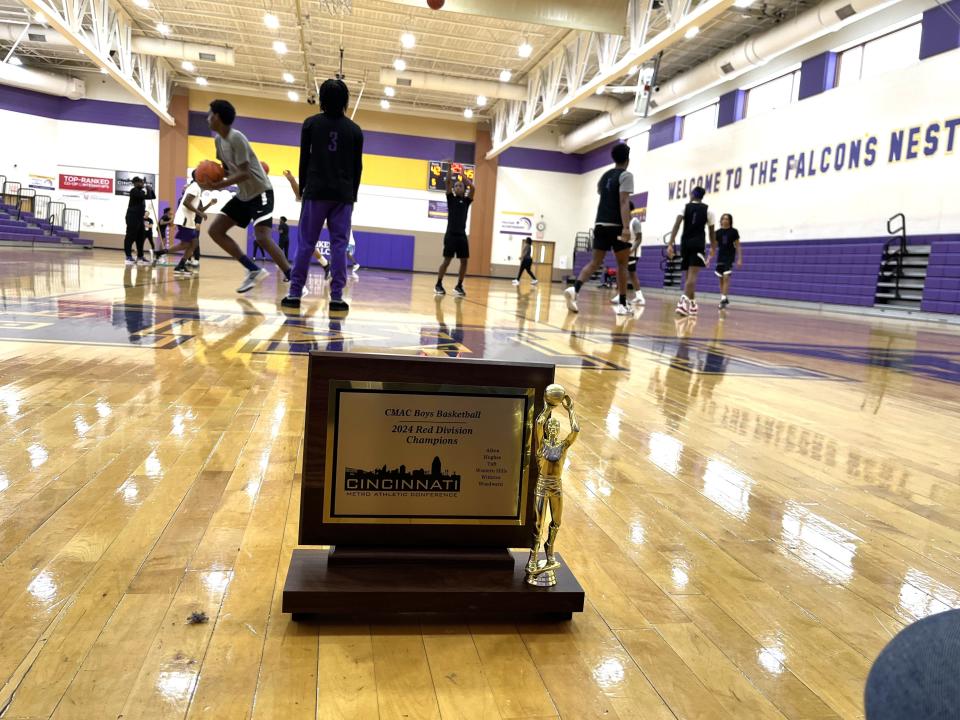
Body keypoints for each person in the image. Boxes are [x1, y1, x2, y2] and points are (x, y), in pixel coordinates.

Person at [283, 79, 363, 312]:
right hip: (343, 196)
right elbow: (358, 167)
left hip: (316, 192)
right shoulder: (355, 131)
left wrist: (303, 191)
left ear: (322, 99)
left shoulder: (310, 124)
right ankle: (336, 297)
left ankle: (295, 293)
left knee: (306, 243)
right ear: (345, 101)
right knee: (339, 246)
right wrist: (352, 195)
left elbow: (304, 160)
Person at [198, 99, 292, 293]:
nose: (207, 117)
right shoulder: (218, 141)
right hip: (244, 194)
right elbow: (227, 169)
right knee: (215, 230)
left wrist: (219, 185)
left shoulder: (236, 138)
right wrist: (210, 178)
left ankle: (293, 278)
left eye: (209, 114)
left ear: (217, 117)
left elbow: (244, 173)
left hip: (261, 192)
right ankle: (253, 269)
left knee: (262, 237)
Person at [564, 143, 634, 316]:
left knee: (595, 262)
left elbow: (600, 192)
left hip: (599, 224)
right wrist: (626, 227)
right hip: (616, 226)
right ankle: (623, 304)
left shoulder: (605, 176)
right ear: (627, 159)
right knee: (622, 265)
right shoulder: (626, 175)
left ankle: (575, 289)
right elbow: (624, 201)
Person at [155, 170, 217, 275]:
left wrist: (209, 205)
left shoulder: (197, 188)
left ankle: (175, 262)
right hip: (185, 219)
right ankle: (167, 257)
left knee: (190, 243)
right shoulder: (194, 187)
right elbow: (186, 202)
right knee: (190, 243)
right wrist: (200, 214)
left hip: (188, 220)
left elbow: (200, 209)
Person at [667, 186, 716, 316]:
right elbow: (712, 233)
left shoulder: (685, 207)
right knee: (691, 277)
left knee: (688, 277)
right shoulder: (709, 211)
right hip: (698, 244)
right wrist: (713, 248)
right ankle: (689, 303)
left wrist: (671, 243)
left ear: (692, 195)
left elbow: (676, 225)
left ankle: (687, 304)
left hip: (685, 244)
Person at [281, 169, 331, 277]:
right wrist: (291, 180)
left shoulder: (322, 191)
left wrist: (292, 180)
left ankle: (296, 275)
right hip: (306, 220)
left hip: (313, 221)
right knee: (309, 247)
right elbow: (299, 194)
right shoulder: (309, 190)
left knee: (305, 246)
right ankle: (326, 265)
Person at [435, 167, 474, 298]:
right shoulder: (451, 199)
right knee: (447, 261)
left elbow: (473, 188)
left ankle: (459, 286)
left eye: (460, 186)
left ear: (463, 189)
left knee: (465, 261)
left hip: (462, 236)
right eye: (456, 186)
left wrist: (464, 177)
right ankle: (438, 284)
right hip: (451, 235)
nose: (457, 187)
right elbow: (447, 183)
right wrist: (450, 169)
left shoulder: (467, 201)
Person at [610, 201, 644, 306]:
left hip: (633, 252)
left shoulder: (635, 222)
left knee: (630, 273)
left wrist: (631, 249)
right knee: (622, 272)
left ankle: (639, 297)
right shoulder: (621, 223)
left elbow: (639, 239)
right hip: (623, 251)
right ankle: (634, 296)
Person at [123, 176, 155, 265]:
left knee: (141, 237)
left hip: (140, 217)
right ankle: (128, 257)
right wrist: (148, 190)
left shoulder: (141, 191)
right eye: (141, 182)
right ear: (135, 183)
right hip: (132, 217)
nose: (142, 184)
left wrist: (150, 189)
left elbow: (152, 196)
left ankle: (140, 257)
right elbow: (146, 196)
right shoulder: (134, 191)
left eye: (143, 182)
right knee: (130, 236)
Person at [715, 213, 742, 308]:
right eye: (723, 219)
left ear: (730, 221)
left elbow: (738, 245)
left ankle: (722, 300)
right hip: (720, 258)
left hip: (729, 257)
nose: (725, 220)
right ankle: (724, 297)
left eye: (727, 219)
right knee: (721, 279)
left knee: (726, 277)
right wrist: (708, 258)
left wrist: (739, 259)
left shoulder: (734, 232)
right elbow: (714, 247)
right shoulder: (717, 233)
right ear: (721, 221)